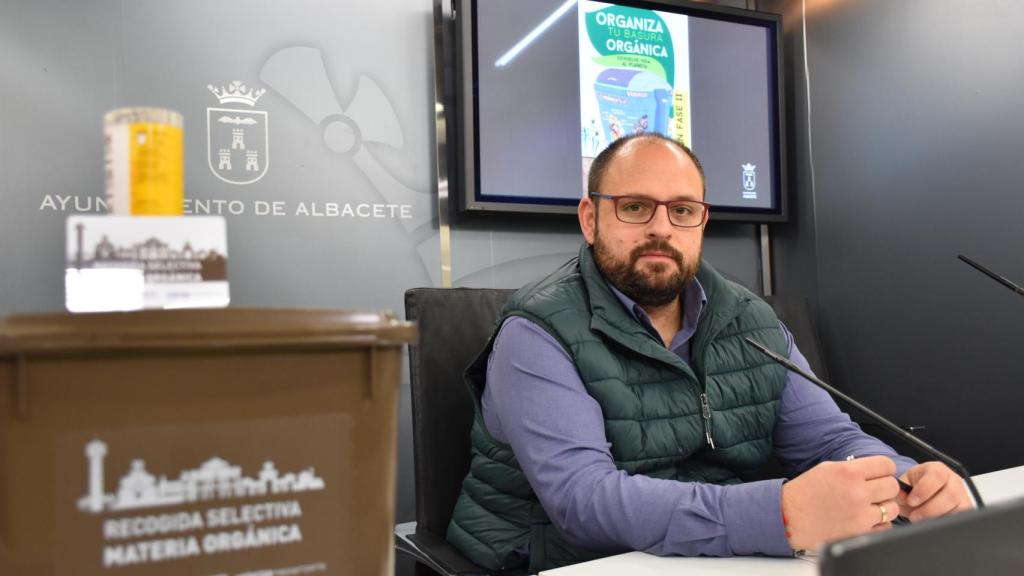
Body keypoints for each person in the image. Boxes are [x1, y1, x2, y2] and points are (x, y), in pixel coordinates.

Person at [446, 133, 972, 574]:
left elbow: (828, 439)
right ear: (590, 219)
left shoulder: (750, 318)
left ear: (702, 220)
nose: (661, 228)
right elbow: (584, 502)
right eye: (634, 207)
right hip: (562, 557)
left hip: (713, 553)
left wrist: (901, 481)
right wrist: (779, 514)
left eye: (682, 210)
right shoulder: (535, 331)